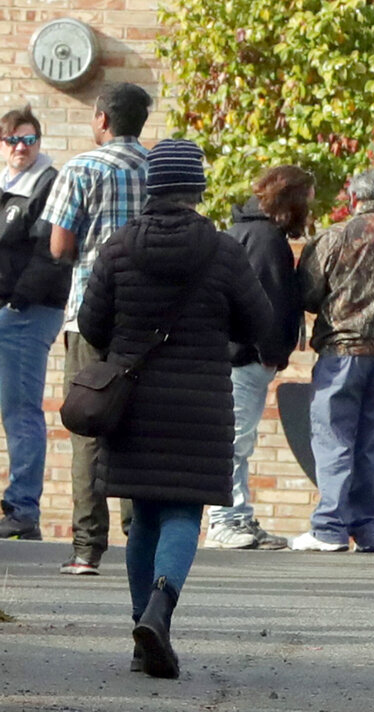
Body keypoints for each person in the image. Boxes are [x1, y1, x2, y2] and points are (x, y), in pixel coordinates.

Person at [77, 139, 271, 678]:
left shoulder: (118, 247)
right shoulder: (225, 249)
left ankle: (144, 635)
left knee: (143, 516)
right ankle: (161, 611)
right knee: (184, 510)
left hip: (134, 402)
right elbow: (260, 324)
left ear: (152, 188)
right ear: (197, 190)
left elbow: (92, 326)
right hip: (201, 402)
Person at [44, 82, 151, 575]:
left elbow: (60, 247)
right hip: (147, 318)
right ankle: (141, 539)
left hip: (90, 313)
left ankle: (87, 547)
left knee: (88, 423)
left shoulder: (82, 168)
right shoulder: (158, 170)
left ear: (102, 119)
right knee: (137, 426)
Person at [293, 170, 374, 553]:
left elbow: (309, 294)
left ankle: (329, 528)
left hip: (343, 355)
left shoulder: (333, 237)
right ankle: (372, 531)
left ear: (354, 200)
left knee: (334, 441)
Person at [203, 166, 312, 550]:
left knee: (237, 439)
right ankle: (225, 519)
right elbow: (266, 302)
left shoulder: (249, 232)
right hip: (245, 357)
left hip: (238, 355)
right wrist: (269, 352)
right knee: (236, 440)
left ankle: (238, 515)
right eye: (308, 199)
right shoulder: (266, 239)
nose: (311, 208)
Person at [0, 106, 69, 540]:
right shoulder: (6, 186)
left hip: (27, 312)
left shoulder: (47, 184)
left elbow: (52, 254)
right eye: (13, 140)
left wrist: (16, 303)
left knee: (21, 411)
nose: (22, 148)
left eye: (29, 139)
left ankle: (23, 510)